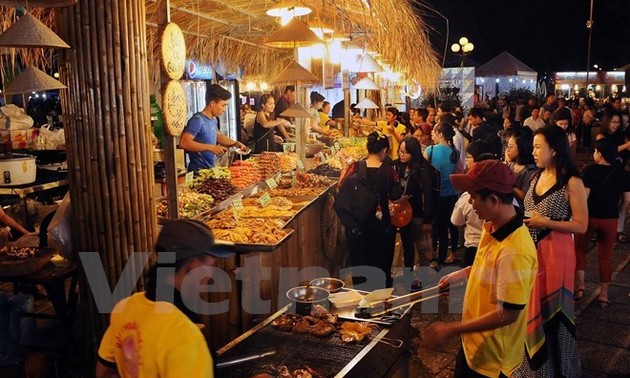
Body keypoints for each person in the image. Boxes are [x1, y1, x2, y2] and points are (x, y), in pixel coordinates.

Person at [422, 160, 537, 378]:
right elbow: (485, 265)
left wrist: (451, 328)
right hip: (473, 345)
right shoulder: (492, 224)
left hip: (493, 359)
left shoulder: (516, 250)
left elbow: (509, 314)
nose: (470, 203)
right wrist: (461, 274)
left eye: (473, 197)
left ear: (493, 200)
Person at [96, 219, 235, 378]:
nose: (211, 275)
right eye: (211, 264)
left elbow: (103, 372)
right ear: (193, 266)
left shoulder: (125, 307)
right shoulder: (185, 337)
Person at [515, 125, 587, 377]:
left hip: (557, 255)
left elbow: (581, 225)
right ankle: (536, 369)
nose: (533, 151)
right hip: (532, 254)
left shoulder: (571, 180)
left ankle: (560, 370)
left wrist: (545, 222)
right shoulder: (535, 177)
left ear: (554, 149)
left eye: (538, 147)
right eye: (533, 147)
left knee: (553, 314)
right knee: (532, 310)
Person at [338, 132, 401, 288]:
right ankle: (380, 303)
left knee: (361, 269)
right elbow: (395, 195)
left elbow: (341, 188)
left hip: (358, 229)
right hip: (382, 227)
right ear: (384, 150)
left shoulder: (355, 168)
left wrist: (344, 168)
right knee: (381, 266)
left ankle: (362, 303)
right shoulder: (389, 171)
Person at [574, 139, 630, 308]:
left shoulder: (590, 171)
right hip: (610, 219)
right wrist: (618, 210)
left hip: (590, 217)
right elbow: (627, 200)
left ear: (599, 154)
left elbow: (585, 196)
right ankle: (604, 295)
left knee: (580, 250)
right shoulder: (622, 173)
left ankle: (580, 286)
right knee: (605, 257)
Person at [180, 84, 246, 173]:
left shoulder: (213, 119)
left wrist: (234, 143)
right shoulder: (197, 120)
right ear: (212, 103)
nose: (224, 109)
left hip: (210, 170)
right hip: (198, 173)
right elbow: (184, 143)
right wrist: (211, 148)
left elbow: (218, 135)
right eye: (223, 105)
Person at [450, 141, 497, 267]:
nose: (471, 201)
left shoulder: (465, 198)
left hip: (474, 247)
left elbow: (456, 221)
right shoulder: (512, 204)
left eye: (468, 157)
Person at [393, 137, 434, 273]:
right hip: (403, 214)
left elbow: (428, 196)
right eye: (400, 151)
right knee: (407, 246)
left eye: (405, 152)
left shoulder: (422, 170)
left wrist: (427, 220)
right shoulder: (398, 166)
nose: (401, 155)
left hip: (418, 214)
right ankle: (407, 274)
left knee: (421, 248)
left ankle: (424, 278)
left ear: (414, 153)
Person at [424, 123, 459, 268]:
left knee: (435, 226)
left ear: (440, 134)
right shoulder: (454, 152)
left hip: (435, 194)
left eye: (434, 132)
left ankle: (434, 257)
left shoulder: (430, 150)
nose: (432, 134)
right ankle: (443, 256)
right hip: (451, 194)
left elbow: (423, 172)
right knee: (446, 226)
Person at [505, 130, 537, 208]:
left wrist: (508, 186)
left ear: (521, 148)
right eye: (507, 146)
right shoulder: (511, 165)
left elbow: (525, 196)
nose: (507, 149)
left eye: (511, 147)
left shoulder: (530, 171)